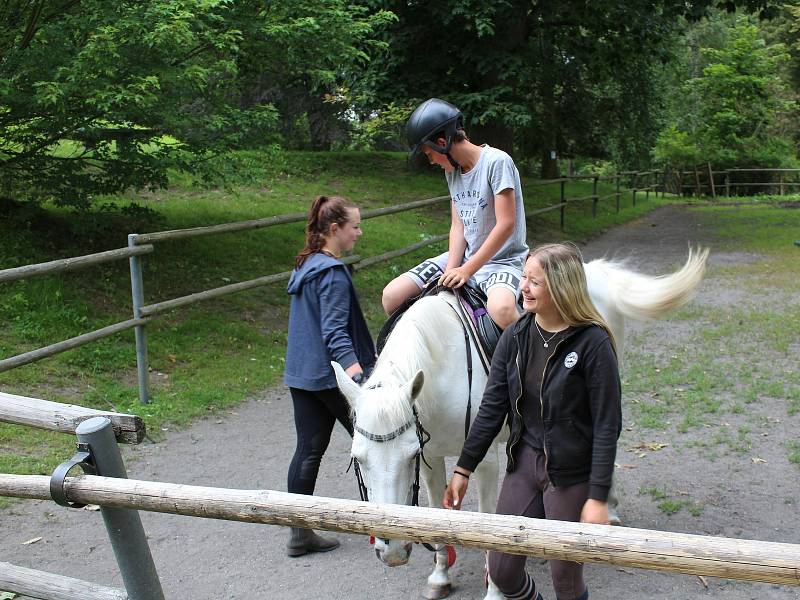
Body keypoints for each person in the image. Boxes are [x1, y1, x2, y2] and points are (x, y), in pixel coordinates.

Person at [442, 242, 622, 600]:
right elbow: (492, 407)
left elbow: (607, 425)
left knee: (565, 578)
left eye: (534, 281)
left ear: (561, 287)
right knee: (501, 570)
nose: (523, 287)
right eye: (523, 277)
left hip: (570, 472)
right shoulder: (516, 336)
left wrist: (598, 496)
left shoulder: (593, 343)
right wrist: (464, 468)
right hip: (524, 461)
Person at [381, 98, 528, 330]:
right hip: (463, 257)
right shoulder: (453, 173)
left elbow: (506, 224)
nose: (431, 162)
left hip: (502, 261)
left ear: (442, 143)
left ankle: (532, 356)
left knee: (502, 310)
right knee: (392, 296)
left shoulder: (497, 162)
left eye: (429, 154)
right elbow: (458, 226)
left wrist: (467, 270)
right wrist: (452, 269)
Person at [283, 195, 376, 557]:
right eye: (354, 226)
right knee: (377, 445)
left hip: (302, 374)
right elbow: (335, 333)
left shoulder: (307, 266)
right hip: (331, 377)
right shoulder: (332, 274)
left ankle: (299, 532)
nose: (359, 232)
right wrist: (359, 377)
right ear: (334, 229)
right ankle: (390, 524)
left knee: (308, 450)